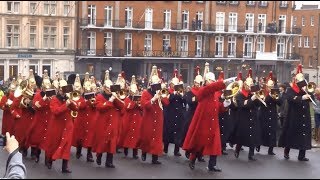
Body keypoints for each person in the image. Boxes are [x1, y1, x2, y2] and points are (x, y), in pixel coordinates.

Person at [182, 62, 227, 172]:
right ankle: (193, 159)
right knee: (199, 143)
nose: (212, 82)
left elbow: (218, 107)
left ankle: (212, 165)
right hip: (203, 122)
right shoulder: (203, 90)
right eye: (211, 80)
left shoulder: (215, 94)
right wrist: (221, 83)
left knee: (215, 145)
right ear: (206, 81)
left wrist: (226, 104)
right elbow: (209, 89)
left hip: (213, 122)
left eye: (213, 80)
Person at [43, 74, 78, 173]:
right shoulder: (54, 99)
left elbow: (75, 109)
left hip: (67, 125)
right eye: (62, 89)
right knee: (53, 144)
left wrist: (72, 103)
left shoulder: (67, 98)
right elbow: (55, 111)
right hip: (57, 126)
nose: (64, 91)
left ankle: (65, 166)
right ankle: (49, 159)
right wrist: (65, 105)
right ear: (59, 90)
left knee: (67, 145)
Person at [278, 64, 312, 161]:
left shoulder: (305, 89)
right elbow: (290, 99)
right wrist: (301, 98)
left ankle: (302, 155)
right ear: (296, 81)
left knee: (304, 135)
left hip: (304, 115)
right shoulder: (291, 89)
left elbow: (311, 98)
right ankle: (286, 151)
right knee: (291, 134)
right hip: (294, 115)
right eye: (299, 81)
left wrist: (307, 93)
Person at [92, 70, 124, 168]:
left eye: (111, 88)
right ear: (104, 88)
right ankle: (99, 155)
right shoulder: (99, 97)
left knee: (112, 142)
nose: (110, 90)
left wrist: (116, 98)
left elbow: (121, 107)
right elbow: (100, 108)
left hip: (112, 122)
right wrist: (110, 101)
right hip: (102, 122)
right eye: (108, 88)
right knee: (102, 141)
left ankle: (109, 161)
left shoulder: (114, 96)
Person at [140, 65, 169, 164]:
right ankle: (144, 152)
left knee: (157, 138)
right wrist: (153, 99)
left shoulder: (160, 92)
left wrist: (162, 95)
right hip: (149, 118)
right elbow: (144, 105)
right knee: (147, 136)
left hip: (158, 118)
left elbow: (166, 103)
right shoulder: (145, 93)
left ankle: (155, 157)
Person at [233, 69, 262, 161]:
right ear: (245, 85)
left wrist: (258, 98)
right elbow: (243, 105)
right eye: (248, 86)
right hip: (243, 118)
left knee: (253, 137)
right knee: (242, 137)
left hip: (253, 118)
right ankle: (237, 149)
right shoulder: (239, 95)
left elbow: (258, 105)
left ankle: (251, 154)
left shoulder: (253, 94)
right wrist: (252, 99)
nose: (249, 87)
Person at [26, 70, 52, 163]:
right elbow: (36, 106)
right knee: (38, 139)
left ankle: (47, 159)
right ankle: (37, 155)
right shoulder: (37, 95)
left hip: (48, 120)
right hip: (39, 119)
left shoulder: (52, 95)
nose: (47, 89)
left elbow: (53, 107)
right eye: (45, 87)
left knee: (48, 140)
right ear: (42, 87)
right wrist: (44, 99)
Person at [181, 66, 205, 162]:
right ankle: (189, 150)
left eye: (200, 83)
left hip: (201, 116)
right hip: (192, 115)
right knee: (190, 134)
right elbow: (190, 102)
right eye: (197, 83)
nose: (198, 85)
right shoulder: (190, 92)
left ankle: (200, 154)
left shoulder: (203, 91)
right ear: (194, 82)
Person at [256, 71, 282, 155]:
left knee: (273, 131)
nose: (270, 88)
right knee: (261, 130)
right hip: (264, 114)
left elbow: (280, 103)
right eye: (269, 86)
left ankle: (271, 149)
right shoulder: (262, 92)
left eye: (272, 86)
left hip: (273, 114)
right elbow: (261, 104)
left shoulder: (275, 92)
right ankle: (258, 144)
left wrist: (275, 97)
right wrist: (269, 96)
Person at [163, 70, 185, 156]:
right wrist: (174, 93)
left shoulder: (180, 92)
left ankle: (176, 150)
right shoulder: (168, 91)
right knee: (168, 132)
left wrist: (181, 95)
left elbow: (184, 102)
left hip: (178, 115)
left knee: (178, 133)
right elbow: (168, 100)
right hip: (170, 115)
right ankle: (165, 148)